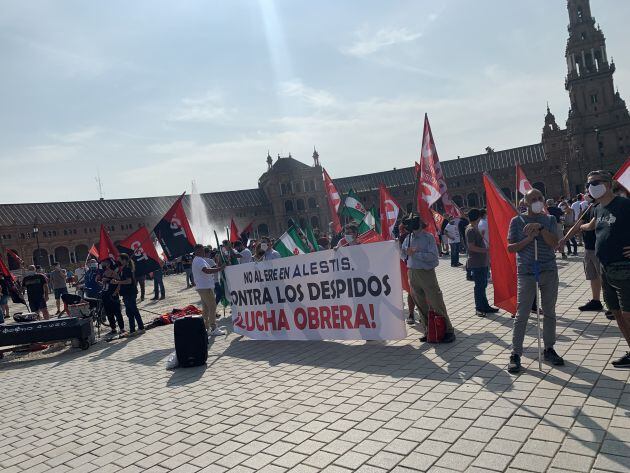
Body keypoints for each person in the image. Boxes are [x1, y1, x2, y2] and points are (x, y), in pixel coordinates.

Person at [507, 189, 564, 373]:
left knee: (549, 312)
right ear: (525, 201)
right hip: (526, 272)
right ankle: (515, 353)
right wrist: (529, 238)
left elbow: (554, 242)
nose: (538, 201)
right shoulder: (517, 221)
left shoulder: (550, 220)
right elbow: (511, 248)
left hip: (548, 269)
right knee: (522, 313)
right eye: (533, 199)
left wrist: (540, 229)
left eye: (540, 198)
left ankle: (549, 348)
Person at [579, 170, 630, 368]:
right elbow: (591, 227)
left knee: (628, 314)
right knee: (616, 313)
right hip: (605, 269)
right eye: (589, 184)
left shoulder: (624, 205)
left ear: (608, 184)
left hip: (624, 267)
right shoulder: (598, 209)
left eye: (595, 182)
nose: (591, 186)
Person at [401, 213, 456, 343]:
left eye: (413, 222)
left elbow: (433, 257)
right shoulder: (408, 238)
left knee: (436, 301)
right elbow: (403, 254)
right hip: (412, 272)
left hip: (426, 273)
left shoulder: (428, 237)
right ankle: (429, 329)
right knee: (419, 303)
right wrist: (406, 253)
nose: (410, 225)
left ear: (420, 223)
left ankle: (448, 330)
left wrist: (416, 254)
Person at [560, 197, 604, 312]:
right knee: (593, 275)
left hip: (600, 248)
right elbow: (576, 225)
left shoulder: (603, 206)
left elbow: (590, 226)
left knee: (605, 277)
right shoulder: (590, 206)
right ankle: (596, 301)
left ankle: (614, 305)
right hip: (588, 248)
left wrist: (581, 226)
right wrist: (564, 240)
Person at [466, 209, 499, 317]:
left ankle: (485, 306)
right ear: (478, 217)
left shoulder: (474, 228)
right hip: (477, 262)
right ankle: (479, 308)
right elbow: (471, 247)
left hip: (482, 261)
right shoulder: (471, 229)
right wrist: (486, 250)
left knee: (483, 284)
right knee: (479, 286)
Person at [192, 244, 225, 335]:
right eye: (202, 250)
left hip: (204, 286)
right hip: (205, 287)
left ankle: (206, 328)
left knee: (206, 308)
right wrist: (220, 268)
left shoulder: (199, 259)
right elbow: (206, 270)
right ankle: (213, 327)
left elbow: (208, 269)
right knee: (212, 306)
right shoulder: (198, 260)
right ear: (198, 251)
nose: (204, 252)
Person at [111, 254, 144, 335]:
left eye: (120, 260)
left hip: (130, 293)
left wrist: (117, 282)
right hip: (126, 293)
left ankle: (141, 327)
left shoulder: (127, 269)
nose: (118, 261)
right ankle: (132, 329)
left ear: (124, 260)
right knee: (129, 312)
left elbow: (129, 281)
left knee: (134, 310)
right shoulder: (123, 269)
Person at [100, 259, 125, 335]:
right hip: (105, 295)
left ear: (108, 265)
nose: (102, 265)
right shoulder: (104, 272)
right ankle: (113, 328)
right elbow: (104, 284)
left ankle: (122, 328)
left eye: (104, 264)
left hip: (113, 295)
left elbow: (119, 283)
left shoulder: (113, 273)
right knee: (109, 313)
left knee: (117, 313)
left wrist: (116, 292)